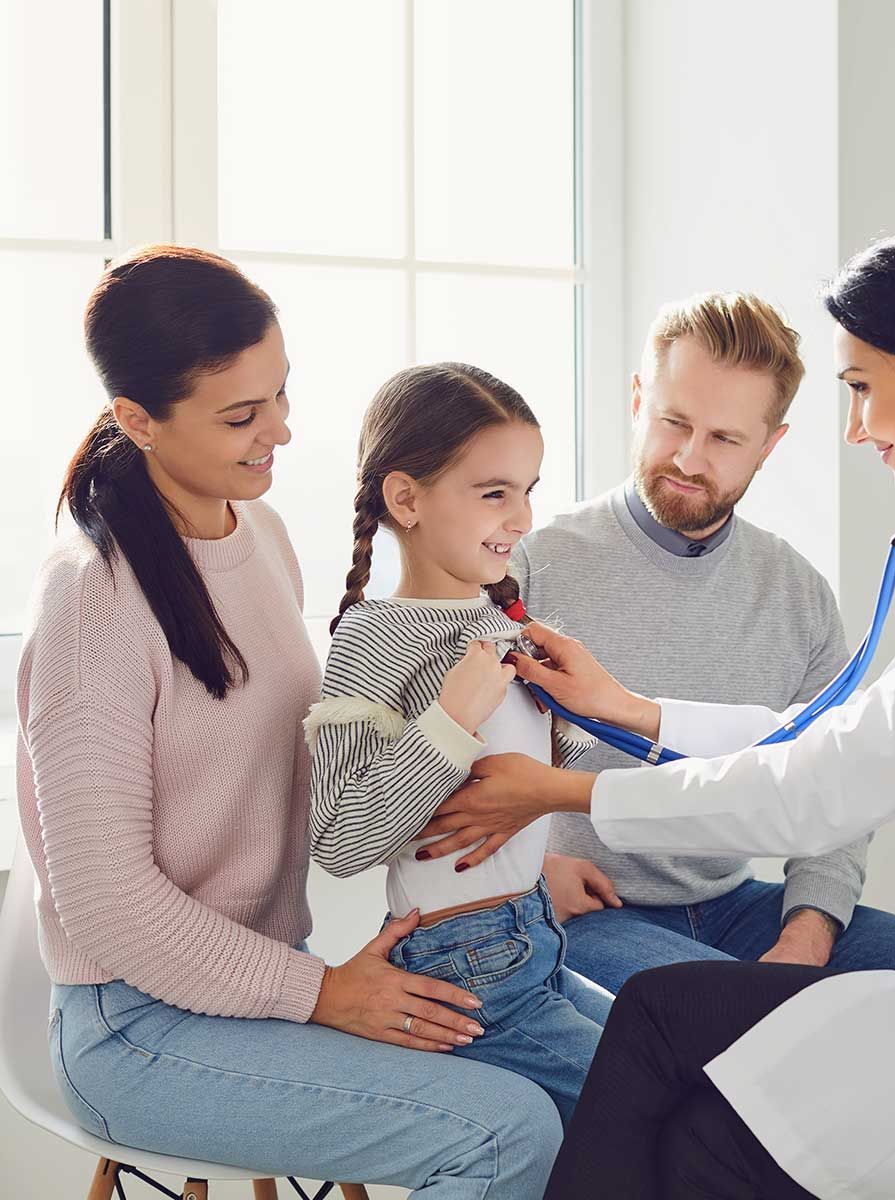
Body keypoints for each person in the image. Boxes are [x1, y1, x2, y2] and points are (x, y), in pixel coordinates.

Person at [418, 211, 895, 1199]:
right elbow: (846, 742)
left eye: (864, 388)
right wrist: (636, 711)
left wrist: (560, 796)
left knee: (686, 1060)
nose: (858, 426)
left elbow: (832, 784)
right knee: (703, 1115)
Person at [15, 247, 565, 1196]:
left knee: (624, 1083)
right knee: (506, 1129)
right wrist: (319, 994)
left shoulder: (258, 534)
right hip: (138, 1031)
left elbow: (340, 782)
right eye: (240, 415)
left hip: (265, 983)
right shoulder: (92, 604)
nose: (280, 430)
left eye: (278, 394)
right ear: (136, 420)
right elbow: (107, 905)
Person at [513, 291, 895, 992]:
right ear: (638, 401)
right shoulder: (532, 566)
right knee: (735, 1018)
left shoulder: (797, 592)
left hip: (740, 907)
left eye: (723, 439)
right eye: (673, 422)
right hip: (590, 909)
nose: (689, 458)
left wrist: (808, 927)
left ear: (769, 445)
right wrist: (531, 868)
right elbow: (452, 762)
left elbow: (837, 785)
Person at [305, 362, 612, 1125]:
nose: (524, 517)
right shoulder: (372, 638)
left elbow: (512, 791)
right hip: (463, 963)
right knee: (660, 1110)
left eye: (530, 489)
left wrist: (570, 713)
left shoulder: (500, 622)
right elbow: (341, 841)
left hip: (535, 935)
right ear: (406, 499)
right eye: (495, 493)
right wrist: (446, 721)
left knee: (686, 1072)